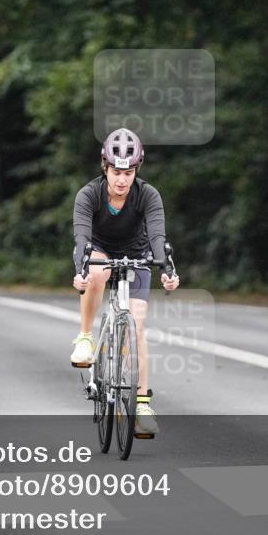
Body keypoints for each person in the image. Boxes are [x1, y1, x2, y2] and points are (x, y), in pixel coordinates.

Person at [71, 128, 180, 437]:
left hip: (137, 253)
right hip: (99, 249)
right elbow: (82, 238)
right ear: (105, 168)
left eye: (128, 173)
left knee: (138, 324)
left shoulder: (148, 195)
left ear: (136, 170)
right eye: (116, 172)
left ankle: (142, 404)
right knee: (97, 273)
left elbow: (157, 236)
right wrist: (81, 270)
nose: (122, 179)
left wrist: (167, 270)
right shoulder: (88, 195)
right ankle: (85, 337)